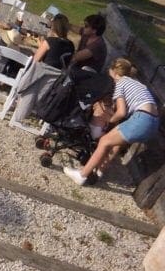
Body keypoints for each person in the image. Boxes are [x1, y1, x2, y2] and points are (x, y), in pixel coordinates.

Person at [64, 57, 160, 186]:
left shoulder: (120, 84)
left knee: (104, 141)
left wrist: (108, 124)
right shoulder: (137, 84)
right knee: (116, 143)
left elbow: (121, 112)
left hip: (141, 118)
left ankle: (82, 175)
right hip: (153, 122)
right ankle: (98, 173)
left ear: (115, 73)